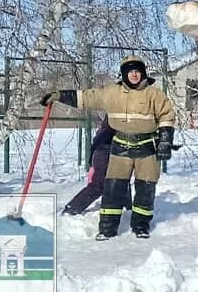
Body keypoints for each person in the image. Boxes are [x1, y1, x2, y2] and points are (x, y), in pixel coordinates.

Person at [41, 56, 174, 240]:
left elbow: (167, 116)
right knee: (113, 188)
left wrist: (165, 140)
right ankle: (107, 228)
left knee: (146, 188)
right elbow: (86, 97)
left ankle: (141, 226)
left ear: (143, 73)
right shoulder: (112, 93)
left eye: (137, 71)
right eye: (130, 71)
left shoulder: (154, 94)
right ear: (124, 74)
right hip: (121, 146)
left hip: (146, 147)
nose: (134, 74)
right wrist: (59, 95)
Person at [63, 117, 121, 215]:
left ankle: (125, 207)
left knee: (120, 182)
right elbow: (99, 141)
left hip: (103, 152)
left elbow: (95, 143)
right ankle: (72, 208)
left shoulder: (108, 125)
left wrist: (91, 164)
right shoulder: (113, 123)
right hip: (105, 152)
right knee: (98, 185)